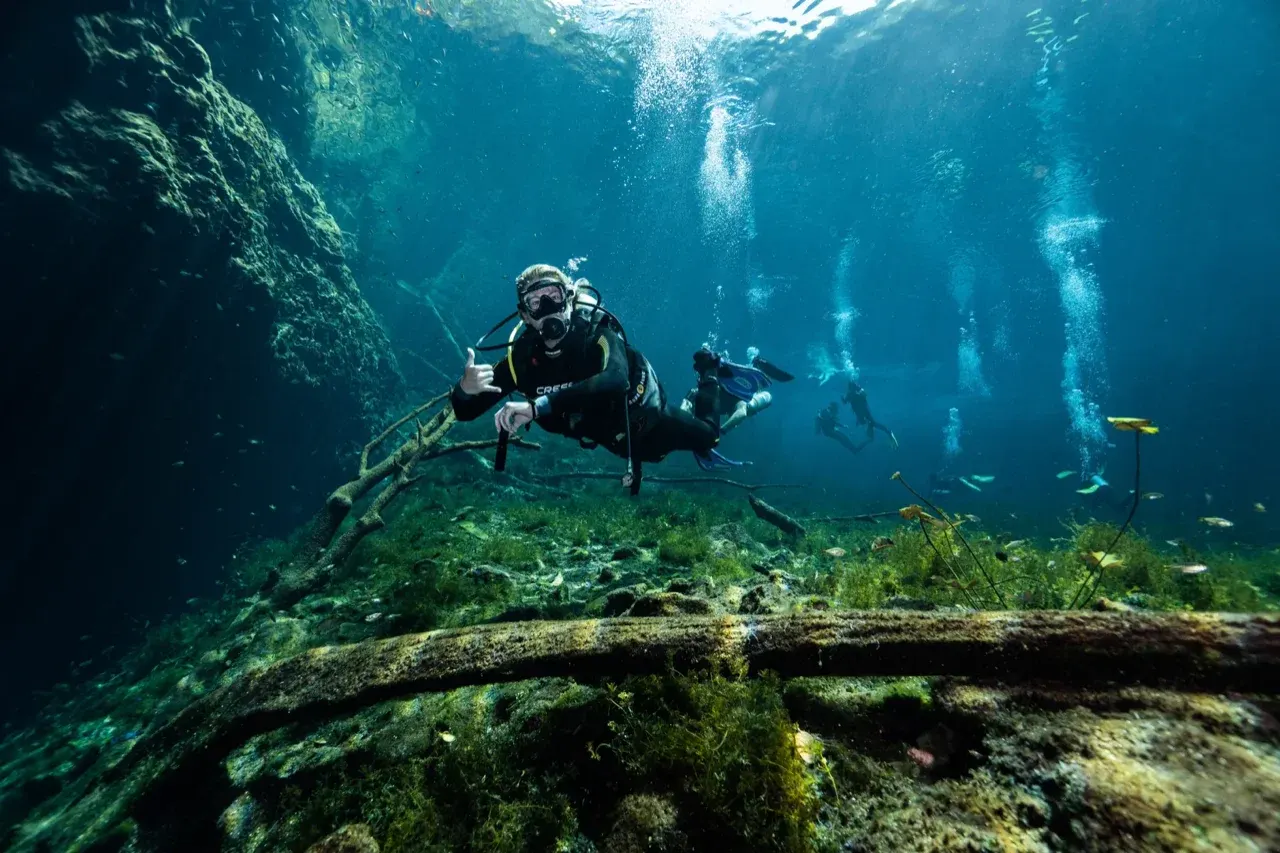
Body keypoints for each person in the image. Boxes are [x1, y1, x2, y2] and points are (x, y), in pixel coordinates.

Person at [451, 265, 766, 490]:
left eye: (554, 296)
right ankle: (691, 400)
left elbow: (615, 381)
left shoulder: (596, 335)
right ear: (524, 315)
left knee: (709, 438)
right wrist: (465, 389)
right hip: (612, 440)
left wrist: (536, 407)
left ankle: (709, 370)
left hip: (645, 414)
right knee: (653, 456)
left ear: (569, 299)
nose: (548, 307)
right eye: (536, 301)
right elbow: (464, 412)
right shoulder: (522, 361)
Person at [679, 347, 794, 434]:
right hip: (729, 395)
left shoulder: (730, 392)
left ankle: (756, 364)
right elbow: (686, 406)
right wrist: (682, 425)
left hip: (744, 397)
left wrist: (722, 431)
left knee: (757, 403)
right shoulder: (701, 390)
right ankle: (754, 364)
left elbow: (742, 413)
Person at [843, 379, 898, 449]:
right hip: (863, 414)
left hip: (863, 414)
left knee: (869, 424)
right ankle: (886, 434)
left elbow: (847, 402)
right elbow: (849, 402)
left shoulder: (853, 395)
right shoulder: (854, 395)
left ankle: (886, 434)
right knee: (869, 424)